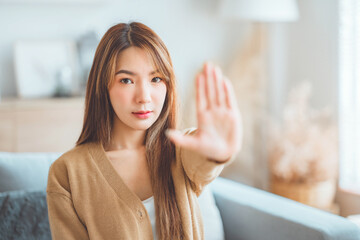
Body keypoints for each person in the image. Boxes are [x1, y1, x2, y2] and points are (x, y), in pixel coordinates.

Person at [46, 22, 242, 240]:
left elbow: (204, 162)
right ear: (103, 86)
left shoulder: (182, 151)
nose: (144, 96)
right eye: (127, 80)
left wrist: (218, 153)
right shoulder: (67, 173)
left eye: (156, 79)